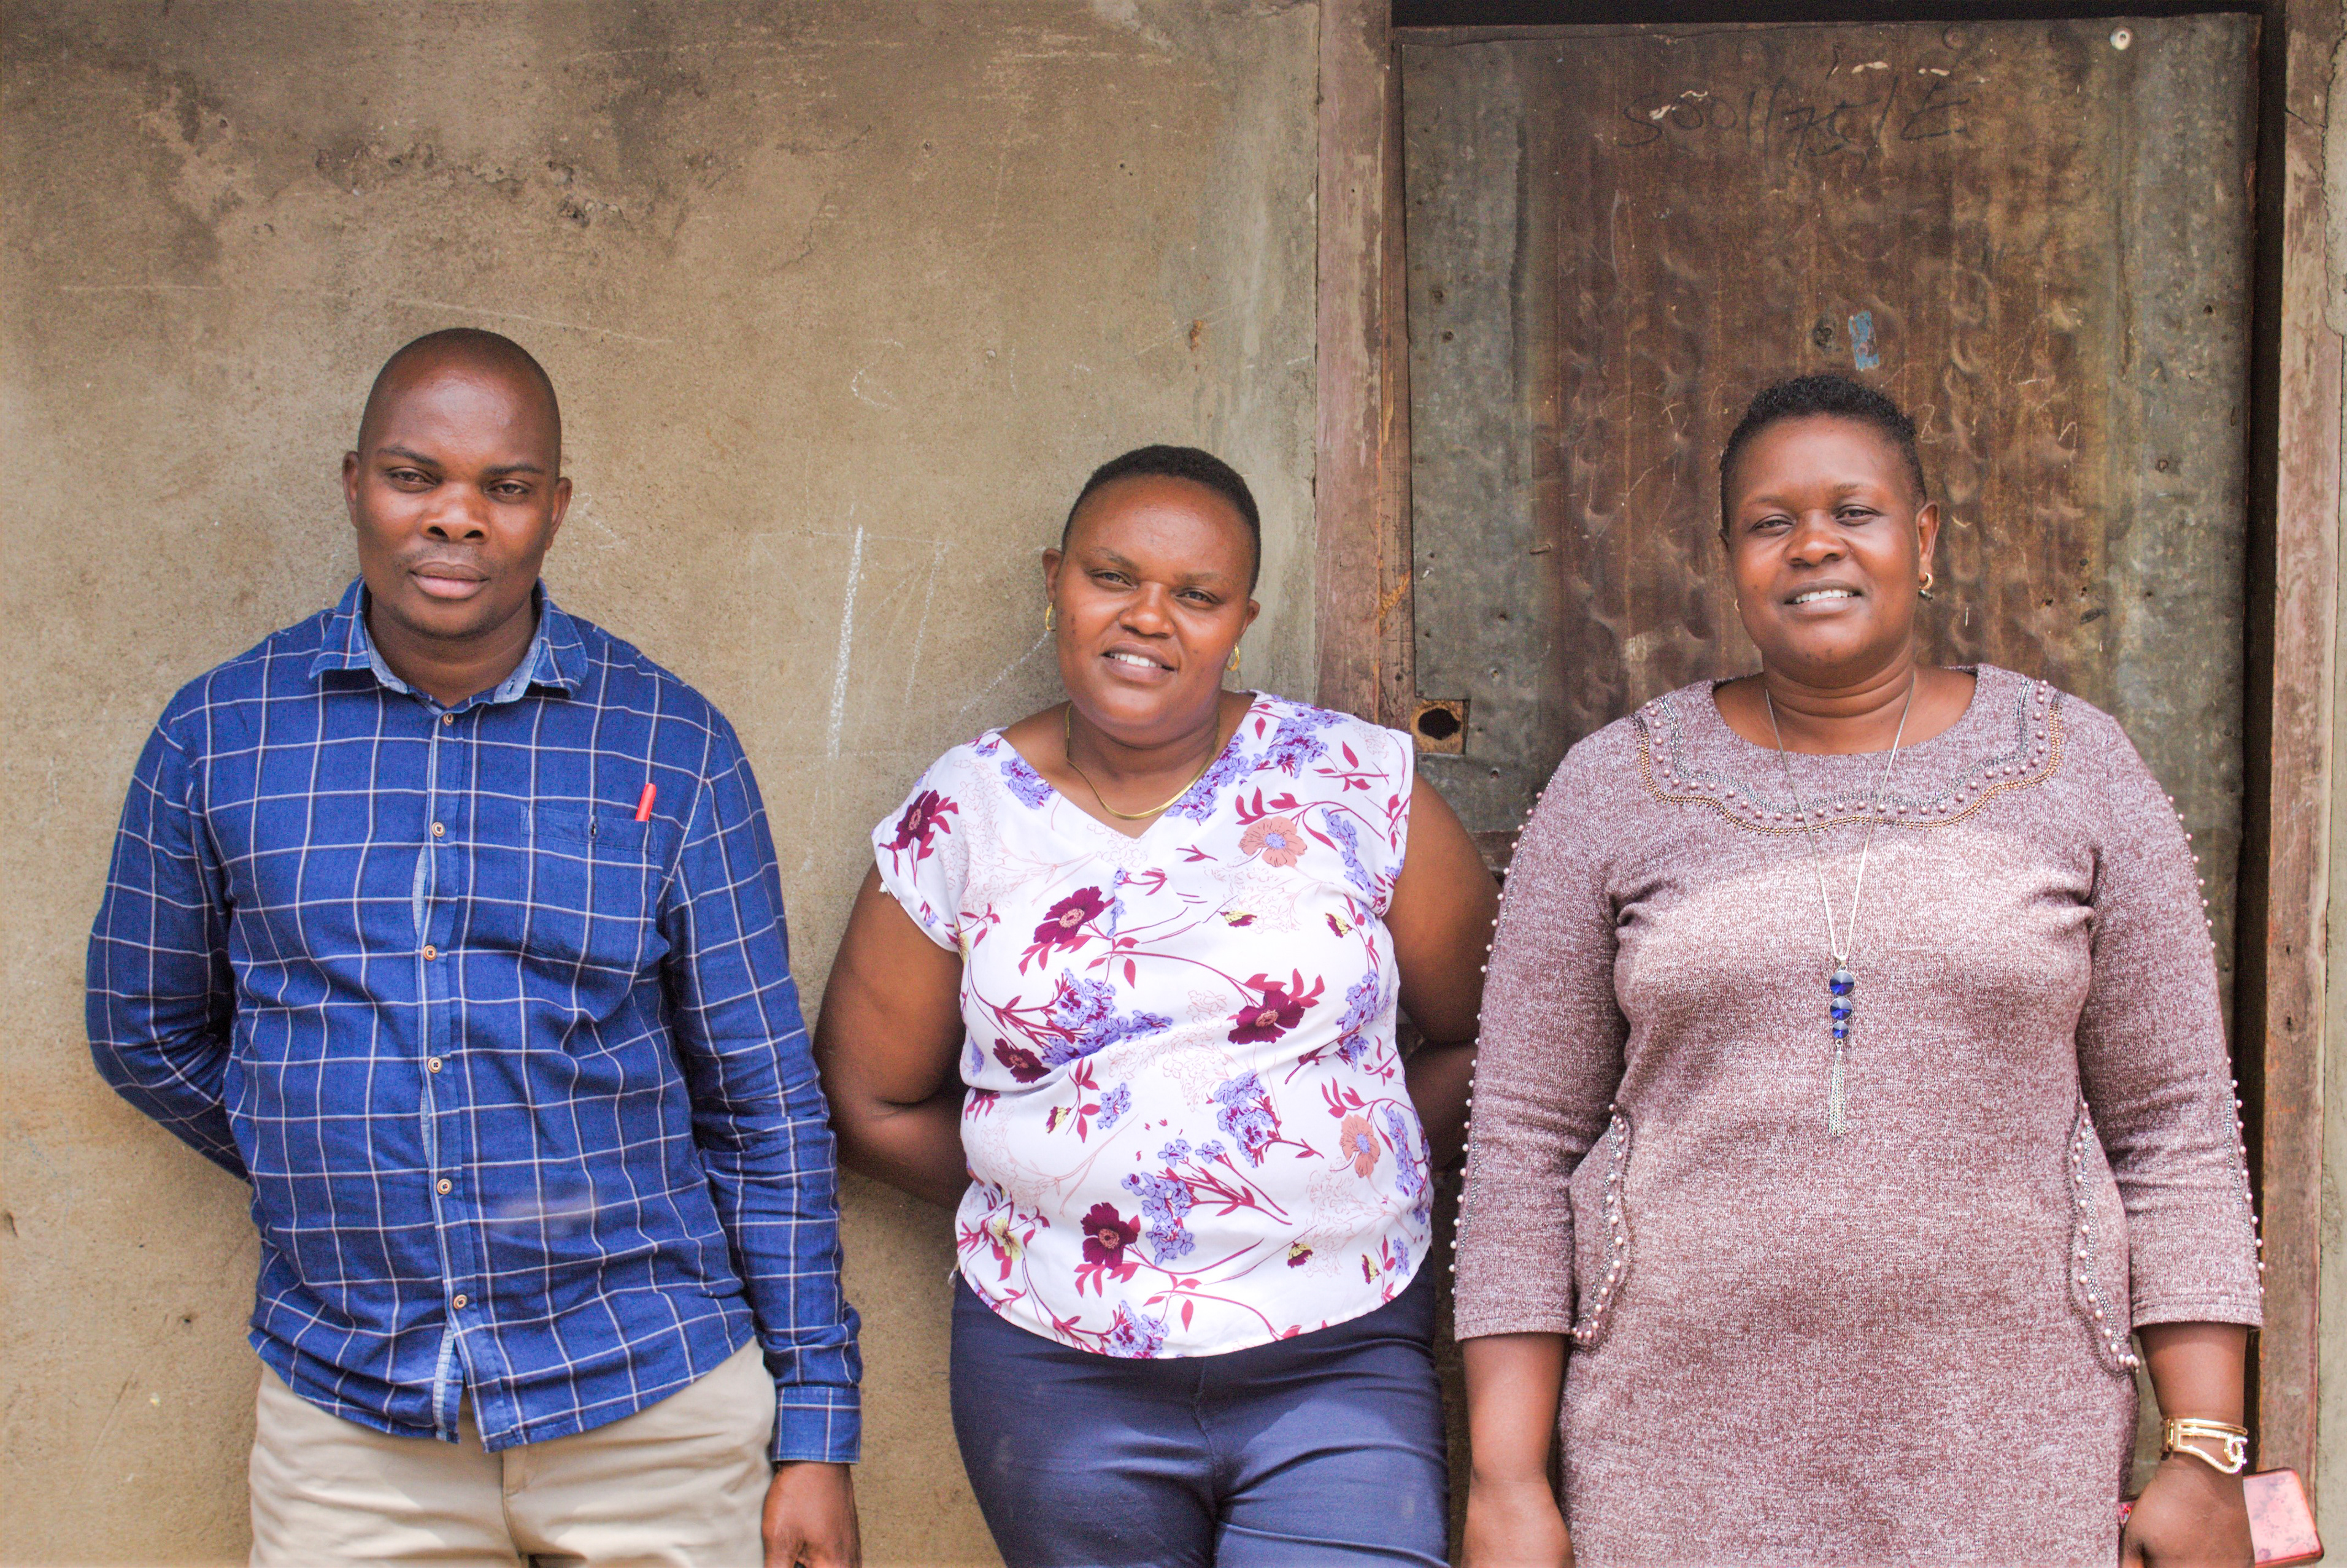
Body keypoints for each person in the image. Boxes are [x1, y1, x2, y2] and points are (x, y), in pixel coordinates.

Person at [1453, 374, 2264, 1567]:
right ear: (1731, 557)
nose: (1813, 543)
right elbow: (1521, 1144)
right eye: (1770, 521)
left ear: (1922, 539)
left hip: (2006, 1442)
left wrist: (2204, 1449)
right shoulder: (1613, 789)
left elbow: (2176, 1128)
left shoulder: (2075, 769)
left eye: (1855, 511)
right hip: (1680, 1448)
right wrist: (1508, 1478)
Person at [87, 329, 862, 1568]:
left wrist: (818, 1431)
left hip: (650, 1397)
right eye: (414, 476)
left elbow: (766, 1112)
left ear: (554, 508)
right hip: (353, 1417)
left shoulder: (673, 744)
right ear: (354, 483)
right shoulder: (219, 734)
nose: (457, 518)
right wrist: (323, 1152)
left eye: (504, 487)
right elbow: (141, 1028)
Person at [815, 445, 1498, 1567]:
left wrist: (1352, 1159)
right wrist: (1082, 1192)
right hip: (1057, 1374)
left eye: (1196, 594)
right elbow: (871, 1097)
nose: (1149, 618)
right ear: (1055, 580)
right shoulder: (968, 814)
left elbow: (1488, 1033)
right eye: (1113, 576)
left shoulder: (1354, 784)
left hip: (1336, 1353)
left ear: (1243, 616)